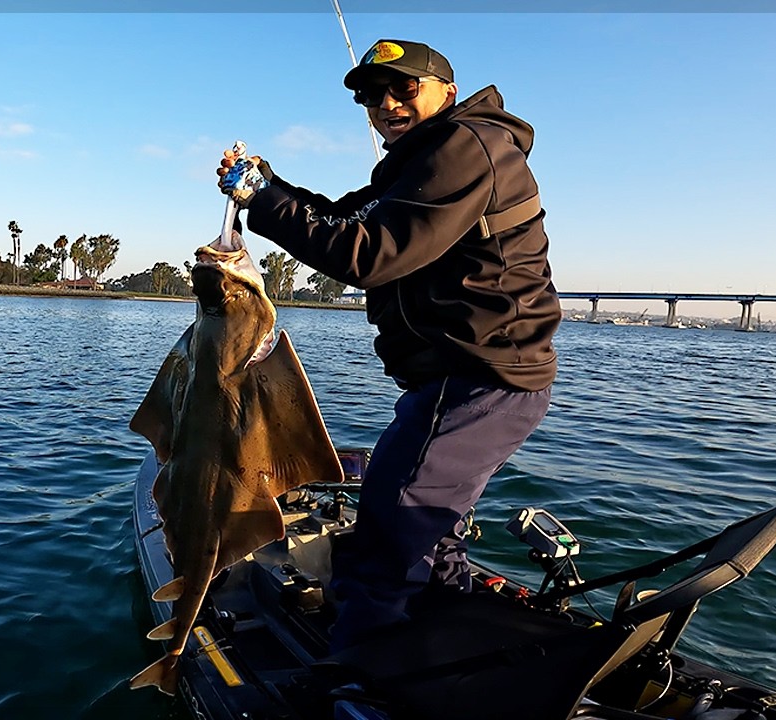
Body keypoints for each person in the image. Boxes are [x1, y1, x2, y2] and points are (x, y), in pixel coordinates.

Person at [217, 39, 561, 652]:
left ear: (447, 93)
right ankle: (448, 632)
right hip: (462, 380)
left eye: (404, 88)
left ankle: (363, 680)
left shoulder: (466, 147)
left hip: (479, 378)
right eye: (372, 94)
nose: (386, 103)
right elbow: (338, 222)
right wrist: (266, 186)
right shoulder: (415, 168)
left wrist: (263, 199)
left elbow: (368, 255)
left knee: (388, 530)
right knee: (429, 528)